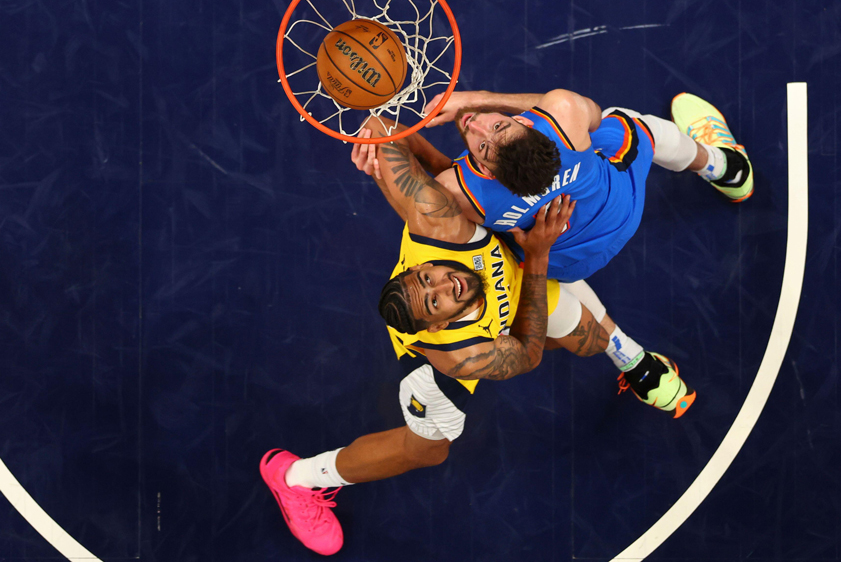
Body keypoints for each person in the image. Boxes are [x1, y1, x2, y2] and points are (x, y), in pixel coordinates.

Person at [258, 116, 695, 556]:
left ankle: (630, 358)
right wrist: (539, 255)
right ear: (438, 322)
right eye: (435, 300)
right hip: (485, 324)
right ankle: (295, 478)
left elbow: (379, 127)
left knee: (587, 339)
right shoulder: (456, 356)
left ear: (420, 266)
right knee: (429, 450)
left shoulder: (438, 221)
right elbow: (525, 353)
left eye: (429, 277)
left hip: (508, 276)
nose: (446, 284)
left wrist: (378, 136)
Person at [419, 90, 754, 282]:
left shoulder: (456, 191)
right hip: (618, 212)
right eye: (488, 135)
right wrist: (477, 98)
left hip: (567, 265)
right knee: (628, 121)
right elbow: (586, 114)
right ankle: (727, 169)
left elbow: (417, 203)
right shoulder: (563, 116)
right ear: (523, 120)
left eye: (491, 127)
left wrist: (382, 143)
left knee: (538, 287)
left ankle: (642, 369)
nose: (474, 124)